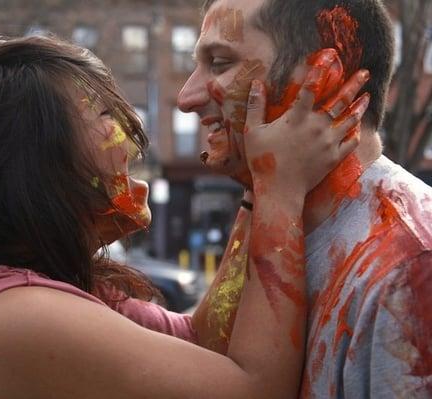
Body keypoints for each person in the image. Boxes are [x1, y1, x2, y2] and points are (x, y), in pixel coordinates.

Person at [0, 35, 365, 399]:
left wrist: (257, 188)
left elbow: (203, 343)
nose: (122, 129)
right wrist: (277, 186)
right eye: (99, 114)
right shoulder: (13, 316)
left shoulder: (47, 294)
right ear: (31, 162)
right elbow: (251, 390)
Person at [178, 0, 432, 397]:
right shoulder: (276, 221)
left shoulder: (410, 269)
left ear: (322, 77)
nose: (186, 97)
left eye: (220, 63)